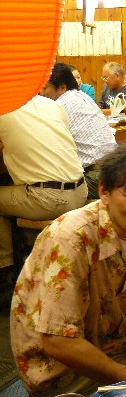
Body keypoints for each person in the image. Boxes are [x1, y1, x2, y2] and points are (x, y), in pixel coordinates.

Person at [10, 141, 126, 397]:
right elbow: (58, 342)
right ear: (104, 192)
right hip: (65, 372)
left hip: (120, 343)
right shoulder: (70, 239)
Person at [0, 95, 87, 277]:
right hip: (80, 191)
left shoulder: (4, 107)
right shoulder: (51, 104)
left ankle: (6, 269)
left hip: (47, 198)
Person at [39, 63, 117, 198]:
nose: (41, 93)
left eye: (45, 88)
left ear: (62, 87)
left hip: (96, 176)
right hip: (114, 167)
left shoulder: (59, 106)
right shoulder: (82, 96)